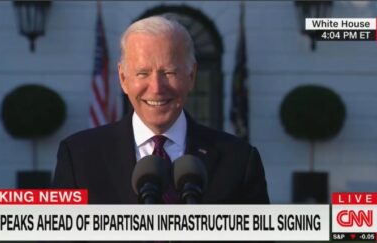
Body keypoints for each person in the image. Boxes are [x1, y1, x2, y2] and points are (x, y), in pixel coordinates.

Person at [52, 16, 269, 204]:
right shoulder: (79, 157)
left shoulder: (239, 161)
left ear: (191, 75)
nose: (156, 88)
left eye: (169, 72)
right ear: (123, 78)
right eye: (143, 73)